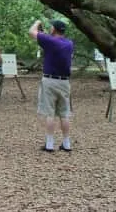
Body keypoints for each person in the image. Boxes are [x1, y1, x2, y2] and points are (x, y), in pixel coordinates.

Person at [30, 18, 74, 152]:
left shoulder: (50, 41)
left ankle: (49, 144)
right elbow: (52, 41)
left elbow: (32, 32)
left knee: (50, 113)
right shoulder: (69, 43)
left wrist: (37, 23)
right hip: (65, 81)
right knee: (64, 113)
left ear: (54, 29)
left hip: (50, 81)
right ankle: (66, 143)